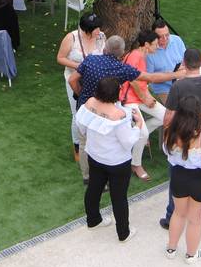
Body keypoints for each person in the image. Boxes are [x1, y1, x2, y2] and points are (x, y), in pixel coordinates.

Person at [72, 35, 175, 184]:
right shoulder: (120, 68)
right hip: (107, 113)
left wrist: (80, 94)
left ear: (105, 47)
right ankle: (104, 177)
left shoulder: (90, 60)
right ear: (121, 53)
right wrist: (178, 74)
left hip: (86, 108)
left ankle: (88, 177)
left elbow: (72, 79)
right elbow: (150, 78)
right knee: (103, 144)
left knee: (85, 143)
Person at [75, 77, 143, 243]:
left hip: (95, 156)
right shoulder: (118, 115)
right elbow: (128, 141)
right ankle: (123, 233)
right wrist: (139, 124)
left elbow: (81, 125)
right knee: (119, 197)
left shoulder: (90, 102)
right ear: (116, 93)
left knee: (94, 187)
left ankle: (93, 220)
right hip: (117, 162)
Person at [158, 47, 201, 229]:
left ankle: (172, 216)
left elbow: (169, 115)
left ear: (184, 63)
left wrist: (168, 132)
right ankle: (198, 213)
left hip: (181, 136)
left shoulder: (178, 86)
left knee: (176, 173)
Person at [163, 95, 201, 263]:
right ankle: (191, 254)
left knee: (178, 213)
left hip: (179, 177)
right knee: (195, 220)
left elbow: (168, 155)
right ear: (199, 114)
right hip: (200, 181)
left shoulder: (169, 132)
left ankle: (171, 248)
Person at [56, 13, 106, 167]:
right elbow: (60, 58)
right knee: (77, 113)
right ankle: (77, 147)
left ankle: (94, 143)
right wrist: (81, 66)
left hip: (94, 81)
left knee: (95, 110)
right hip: (74, 80)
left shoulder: (101, 37)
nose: (99, 31)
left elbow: (103, 55)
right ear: (86, 30)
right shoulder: (71, 38)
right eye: (96, 29)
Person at [120, 30, 166, 181]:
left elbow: (142, 82)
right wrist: (145, 98)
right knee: (143, 133)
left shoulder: (142, 55)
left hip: (140, 97)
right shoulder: (135, 56)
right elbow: (131, 79)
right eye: (155, 44)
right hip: (129, 100)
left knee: (165, 116)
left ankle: (138, 132)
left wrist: (148, 96)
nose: (158, 46)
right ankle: (136, 164)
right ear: (146, 45)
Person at [147, 19, 185, 104]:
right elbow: (149, 78)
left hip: (181, 82)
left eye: (167, 35)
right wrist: (173, 75)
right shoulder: (149, 52)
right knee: (175, 110)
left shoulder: (177, 40)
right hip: (163, 88)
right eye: (160, 36)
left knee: (197, 102)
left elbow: (186, 60)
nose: (165, 39)